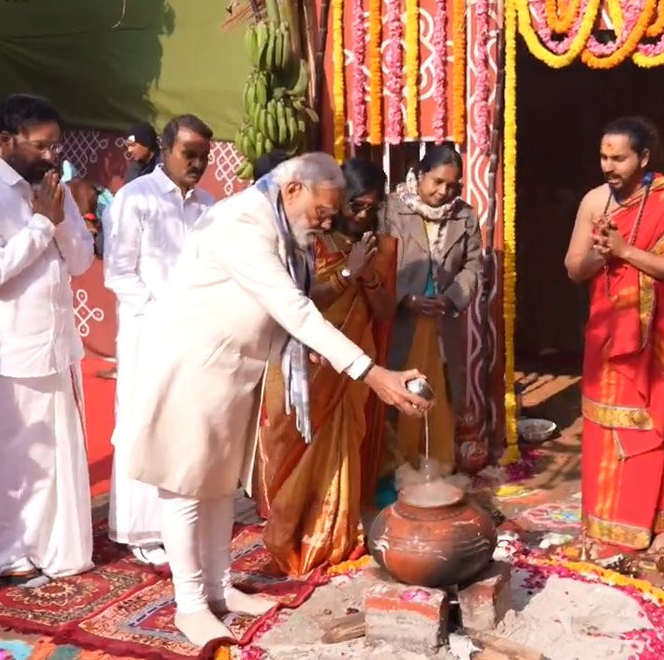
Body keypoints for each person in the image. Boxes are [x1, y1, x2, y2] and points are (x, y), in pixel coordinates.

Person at [122, 152, 431, 647]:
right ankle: (190, 604)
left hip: (233, 370)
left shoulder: (284, 227)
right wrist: (372, 373)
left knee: (218, 486)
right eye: (322, 212)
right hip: (192, 365)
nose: (326, 223)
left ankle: (221, 588)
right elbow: (293, 307)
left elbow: (294, 306)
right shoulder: (243, 223)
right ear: (292, 190)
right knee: (184, 487)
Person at [0, 93, 96, 586]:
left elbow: (81, 261)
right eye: (41, 146)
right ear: (6, 140)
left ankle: (54, 547)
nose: (52, 156)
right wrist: (41, 224)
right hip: (7, 350)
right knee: (6, 462)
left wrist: (59, 218)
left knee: (55, 457)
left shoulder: (54, 189)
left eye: (57, 145)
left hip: (56, 344)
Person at [564, 116, 664, 558]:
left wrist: (627, 251)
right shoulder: (595, 201)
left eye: (618, 158)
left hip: (658, 337)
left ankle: (662, 524)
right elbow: (574, 268)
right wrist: (603, 254)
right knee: (605, 425)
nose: (608, 166)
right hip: (607, 334)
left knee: (656, 423)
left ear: (644, 157)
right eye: (603, 157)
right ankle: (606, 524)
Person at [253, 158, 397, 577]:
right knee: (296, 446)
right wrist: (348, 272)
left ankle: (334, 535)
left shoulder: (380, 247)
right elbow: (296, 304)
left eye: (372, 207)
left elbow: (385, 310)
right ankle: (291, 532)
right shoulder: (307, 240)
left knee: (344, 445)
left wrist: (367, 275)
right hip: (306, 364)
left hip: (354, 363)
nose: (363, 215)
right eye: (356, 205)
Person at [104, 114, 217, 566]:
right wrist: (164, 315)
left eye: (204, 157)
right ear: (165, 149)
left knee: (185, 427)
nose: (197, 164)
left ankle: (180, 523)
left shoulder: (209, 206)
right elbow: (119, 273)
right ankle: (141, 530)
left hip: (195, 337)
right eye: (189, 154)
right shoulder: (135, 199)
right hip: (147, 333)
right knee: (143, 424)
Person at [380, 143, 482, 479]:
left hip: (441, 323)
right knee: (397, 392)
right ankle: (394, 470)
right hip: (399, 322)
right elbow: (377, 264)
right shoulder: (391, 210)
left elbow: (473, 267)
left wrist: (450, 298)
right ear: (419, 174)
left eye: (452, 186)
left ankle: (434, 469)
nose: (443, 192)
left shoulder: (464, 216)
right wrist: (405, 298)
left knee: (439, 393)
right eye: (437, 182)